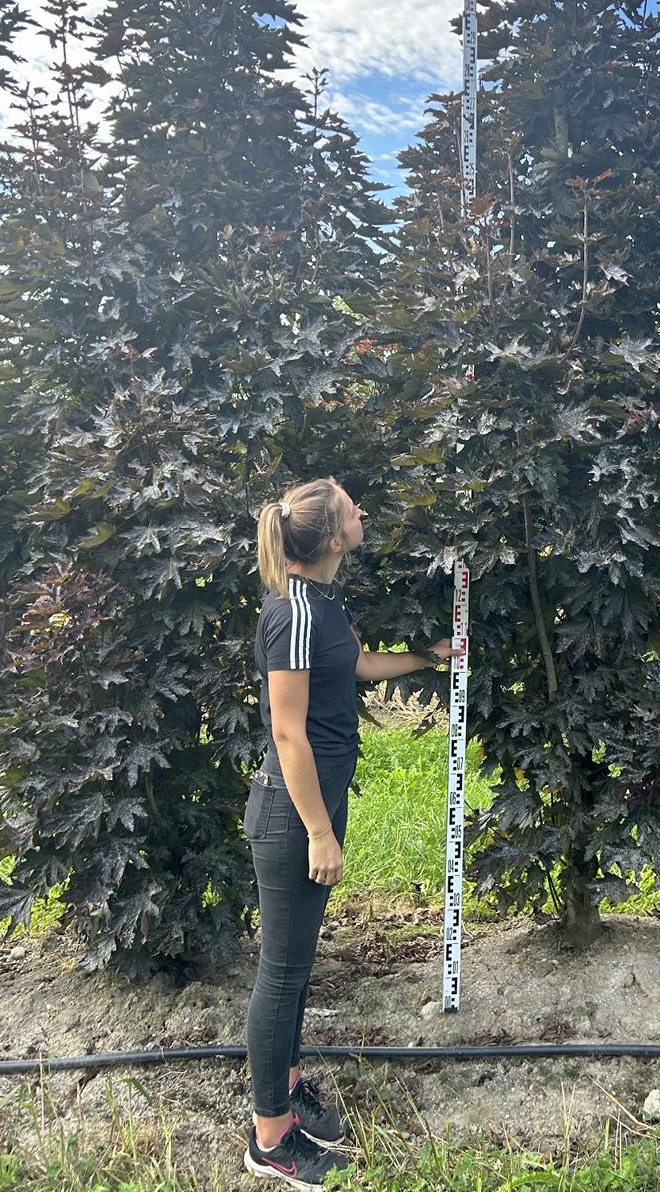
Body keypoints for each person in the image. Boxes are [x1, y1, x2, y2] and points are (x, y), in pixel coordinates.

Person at [242, 476, 454, 1188]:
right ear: (333, 537)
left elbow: (357, 667)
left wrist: (426, 657)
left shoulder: (323, 603)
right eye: (350, 508)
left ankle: (289, 1093)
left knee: (297, 967)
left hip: (312, 809)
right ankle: (270, 1139)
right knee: (281, 974)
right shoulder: (295, 614)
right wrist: (319, 833)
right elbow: (287, 732)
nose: (363, 511)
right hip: (291, 815)